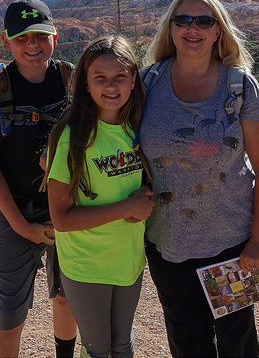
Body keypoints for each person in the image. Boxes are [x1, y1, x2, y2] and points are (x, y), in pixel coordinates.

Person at [139, 0, 259, 358]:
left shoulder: (240, 87)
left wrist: (258, 239)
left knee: (237, 342)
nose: (192, 27)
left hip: (230, 244)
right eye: (183, 20)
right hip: (167, 241)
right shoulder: (146, 83)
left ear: (218, 29)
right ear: (171, 28)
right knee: (187, 342)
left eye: (203, 20)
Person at [0, 0, 78, 358]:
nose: (32, 45)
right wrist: (21, 225)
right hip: (16, 212)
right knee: (9, 314)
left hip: (70, 210)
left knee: (66, 299)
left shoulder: (72, 79)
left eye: (40, 36)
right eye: (22, 37)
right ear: (6, 40)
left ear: (54, 37)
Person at [44, 35, 155, 358]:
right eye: (100, 78)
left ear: (134, 79)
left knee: (122, 346)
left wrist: (144, 199)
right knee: (97, 348)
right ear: (85, 84)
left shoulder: (137, 126)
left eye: (120, 76)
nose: (112, 86)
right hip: (86, 262)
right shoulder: (72, 138)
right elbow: (61, 218)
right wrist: (126, 207)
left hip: (128, 258)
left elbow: (147, 179)